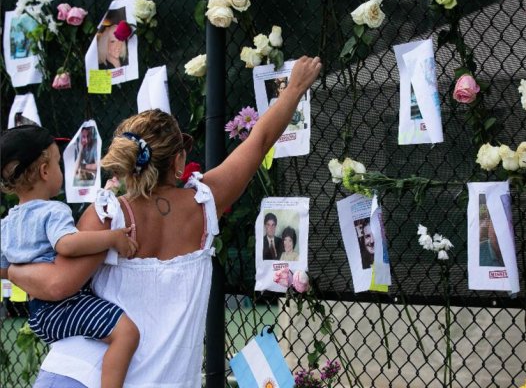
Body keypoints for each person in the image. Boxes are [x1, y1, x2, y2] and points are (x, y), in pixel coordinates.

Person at [8, 56, 322, 387]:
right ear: (178, 160)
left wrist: (10, 270)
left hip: (77, 375)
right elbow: (259, 141)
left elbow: (58, 284)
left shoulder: (107, 215)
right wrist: (295, 87)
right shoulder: (204, 204)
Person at [0, 125, 140, 388]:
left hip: (38, 313)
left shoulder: (7, 223)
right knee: (126, 333)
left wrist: (24, 269)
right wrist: (113, 238)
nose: (59, 171)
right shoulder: (53, 211)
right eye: (57, 164)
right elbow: (66, 245)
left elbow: (3, 269)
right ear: (44, 171)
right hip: (65, 307)